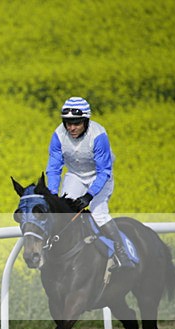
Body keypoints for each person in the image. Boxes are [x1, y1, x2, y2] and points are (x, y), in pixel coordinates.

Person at [45, 96, 135, 270]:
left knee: (98, 213)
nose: (71, 128)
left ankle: (120, 251)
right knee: (65, 213)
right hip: (76, 175)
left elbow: (104, 171)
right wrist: (52, 194)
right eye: (68, 123)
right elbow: (54, 168)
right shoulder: (58, 135)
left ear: (86, 120)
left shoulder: (99, 135)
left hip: (99, 177)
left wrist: (89, 195)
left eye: (76, 123)